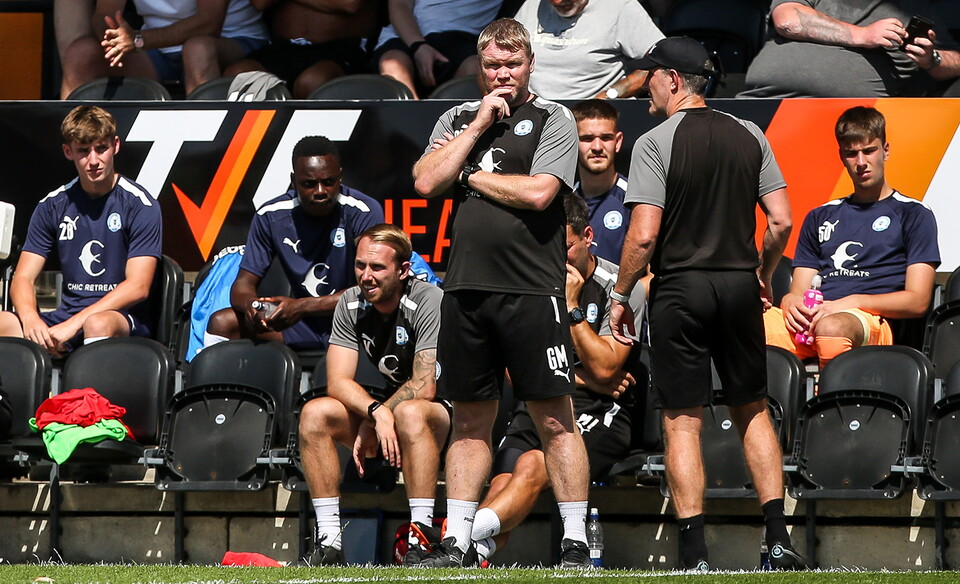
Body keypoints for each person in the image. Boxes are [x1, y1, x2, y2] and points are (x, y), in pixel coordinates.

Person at [607, 37, 802, 571]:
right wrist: (762, 275)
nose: (645, 83)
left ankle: (693, 554)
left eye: (650, 75)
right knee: (752, 409)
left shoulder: (653, 141)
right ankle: (778, 541)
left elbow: (644, 236)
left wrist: (620, 296)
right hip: (739, 286)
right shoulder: (750, 133)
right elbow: (781, 221)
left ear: (672, 79)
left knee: (682, 422)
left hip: (681, 289)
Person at [412, 18, 591, 568]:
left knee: (555, 417)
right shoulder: (456, 117)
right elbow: (423, 180)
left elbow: (539, 194)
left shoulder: (553, 118)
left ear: (530, 64)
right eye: (493, 65)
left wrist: (464, 176)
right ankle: (458, 541)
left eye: (512, 65)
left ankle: (576, 541)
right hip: (465, 291)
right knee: (469, 418)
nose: (502, 75)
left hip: (531, 291)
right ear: (480, 67)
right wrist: (476, 128)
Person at [469, 192, 644, 564]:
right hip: (541, 395)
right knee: (502, 479)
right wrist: (585, 378)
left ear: (587, 237)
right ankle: (475, 550)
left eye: (564, 248)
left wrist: (571, 306)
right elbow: (514, 370)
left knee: (533, 464)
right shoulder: (529, 278)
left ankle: (458, 536)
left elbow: (606, 369)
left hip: (603, 411)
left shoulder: (623, 288)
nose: (554, 258)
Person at [297, 224, 449, 566]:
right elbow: (337, 381)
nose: (366, 276)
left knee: (411, 413)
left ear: (403, 269)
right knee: (315, 413)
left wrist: (378, 416)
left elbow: (425, 384)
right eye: (360, 265)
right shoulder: (350, 303)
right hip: (388, 410)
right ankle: (330, 542)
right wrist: (374, 412)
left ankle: (421, 539)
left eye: (377, 267)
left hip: (444, 412)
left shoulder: (429, 298)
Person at [764, 106, 940, 367]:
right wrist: (790, 301)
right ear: (841, 157)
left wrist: (850, 302)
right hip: (815, 318)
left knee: (832, 327)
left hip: (872, 321)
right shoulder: (819, 216)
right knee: (739, 324)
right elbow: (799, 292)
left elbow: (917, 301)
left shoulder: (914, 214)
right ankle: (757, 408)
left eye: (869, 151)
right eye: (851, 154)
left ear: (886, 151)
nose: (860, 162)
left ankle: (829, 403)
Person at [0, 106, 161, 356]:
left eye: (101, 148)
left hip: (121, 317)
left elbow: (139, 286)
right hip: (66, 316)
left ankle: (96, 396)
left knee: (96, 323)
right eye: (83, 151)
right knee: (3, 322)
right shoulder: (52, 205)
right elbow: (22, 278)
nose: (94, 160)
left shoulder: (140, 204)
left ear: (115, 145)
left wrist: (75, 325)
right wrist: (31, 319)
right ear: (68, 151)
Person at [204, 136, 383, 352]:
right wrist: (253, 306)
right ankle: (221, 385)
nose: (320, 191)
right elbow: (243, 284)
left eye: (328, 182)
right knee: (222, 323)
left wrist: (302, 307)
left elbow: (373, 287)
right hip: (298, 324)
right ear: (293, 180)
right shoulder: (270, 215)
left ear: (340, 178)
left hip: (356, 320)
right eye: (308, 184)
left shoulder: (364, 211)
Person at [739, 0, 960, 98]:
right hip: (765, 102)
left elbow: (956, 60)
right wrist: (862, 34)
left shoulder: (915, 5)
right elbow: (788, 20)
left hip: (856, 127)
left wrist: (932, 59)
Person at [60, 0, 269, 98]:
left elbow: (209, 23)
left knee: (197, 50)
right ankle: (68, 147)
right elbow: (104, 13)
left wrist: (138, 40)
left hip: (233, 39)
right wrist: (113, 38)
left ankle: (205, 152)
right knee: (81, 54)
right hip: (155, 48)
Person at [225, 0, 378, 99]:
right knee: (240, 74)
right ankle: (261, 145)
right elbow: (259, 2)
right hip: (283, 48)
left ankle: (312, 148)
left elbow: (349, 3)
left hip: (342, 47)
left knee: (313, 81)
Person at [512, 0, 664, 100]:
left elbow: (662, 61)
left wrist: (609, 96)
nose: (558, 2)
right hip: (535, 114)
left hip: (592, 121)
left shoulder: (619, 7)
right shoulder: (532, 5)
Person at [373, 0, 504, 99]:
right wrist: (418, 46)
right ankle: (410, 122)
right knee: (392, 64)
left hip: (461, 37)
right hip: (406, 34)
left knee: (478, 70)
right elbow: (399, 6)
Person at [572, 99, 630, 263]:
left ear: (617, 142)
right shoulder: (562, 203)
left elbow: (651, 276)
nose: (597, 147)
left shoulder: (635, 199)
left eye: (605, 138)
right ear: (571, 142)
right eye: (587, 138)